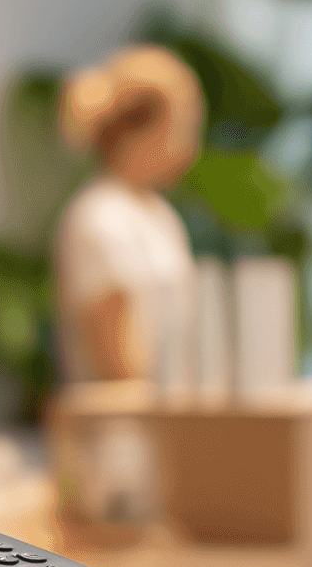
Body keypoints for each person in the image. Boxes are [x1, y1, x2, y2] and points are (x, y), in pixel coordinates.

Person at [52, 45, 203, 385]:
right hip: (123, 427)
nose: (190, 147)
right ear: (143, 128)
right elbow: (116, 366)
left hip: (168, 416)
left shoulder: (160, 215)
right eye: (182, 127)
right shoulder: (99, 217)